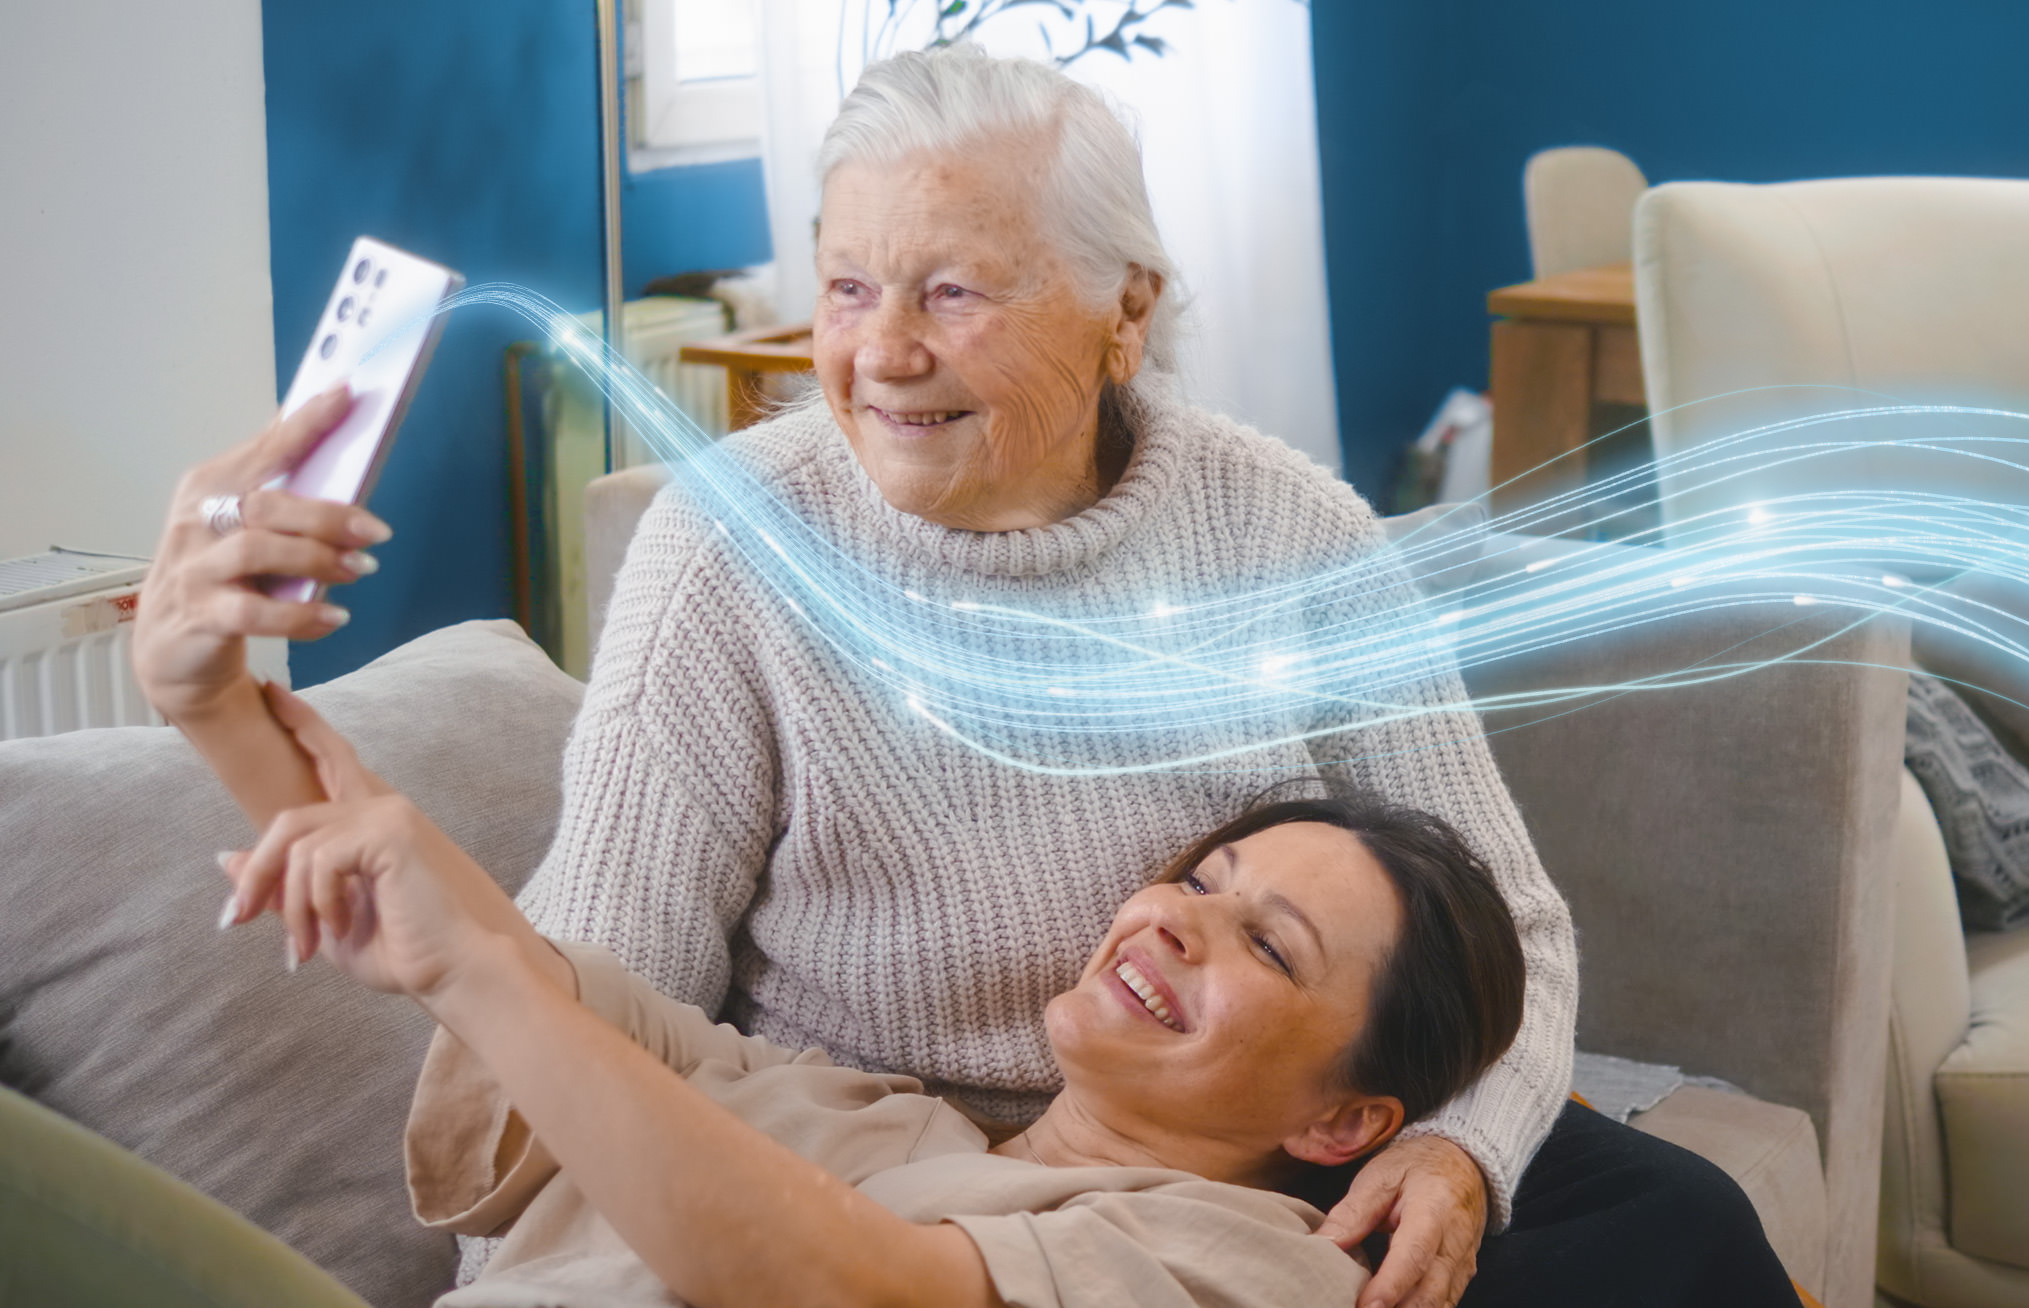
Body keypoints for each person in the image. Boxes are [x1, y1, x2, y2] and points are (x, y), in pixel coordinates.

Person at [136, 44, 1800, 1307]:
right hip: (889, 1136)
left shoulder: (1286, 527)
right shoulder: (736, 547)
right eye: (848, 290)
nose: (881, 353)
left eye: (953, 292)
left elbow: (1508, 925)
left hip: (1217, 1135)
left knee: (1683, 1230)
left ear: (1122, 310)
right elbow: (577, 976)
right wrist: (213, 697)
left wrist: (1462, 1147)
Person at [182, 668, 1529, 1307]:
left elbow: (845, 1291)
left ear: (1344, 1125)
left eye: (1269, 944)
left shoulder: (1252, 1269)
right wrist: (212, 706)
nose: (1181, 920)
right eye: (1205, 877)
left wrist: (477, 974)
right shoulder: (859, 1113)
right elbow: (513, 971)